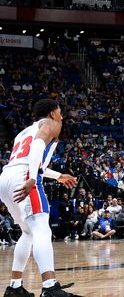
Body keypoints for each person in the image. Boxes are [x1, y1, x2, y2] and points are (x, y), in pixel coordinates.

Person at [0, 99, 81, 297]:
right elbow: (36, 148)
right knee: (42, 227)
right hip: (24, 176)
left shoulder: (23, 132)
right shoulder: (52, 124)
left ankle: (15, 287)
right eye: (60, 112)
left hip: (6, 178)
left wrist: (58, 176)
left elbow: (29, 159)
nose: (61, 116)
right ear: (53, 113)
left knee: (27, 233)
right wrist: (33, 178)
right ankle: (50, 287)